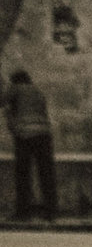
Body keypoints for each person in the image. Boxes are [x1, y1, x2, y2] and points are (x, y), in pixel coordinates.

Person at [6, 69, 58, 222]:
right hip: (44, 134)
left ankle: (23, 212)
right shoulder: (38, 91)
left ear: (15, 80)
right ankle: (51, 211)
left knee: (23, 174)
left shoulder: (16, 88)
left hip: (25, 135)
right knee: (46, 173)